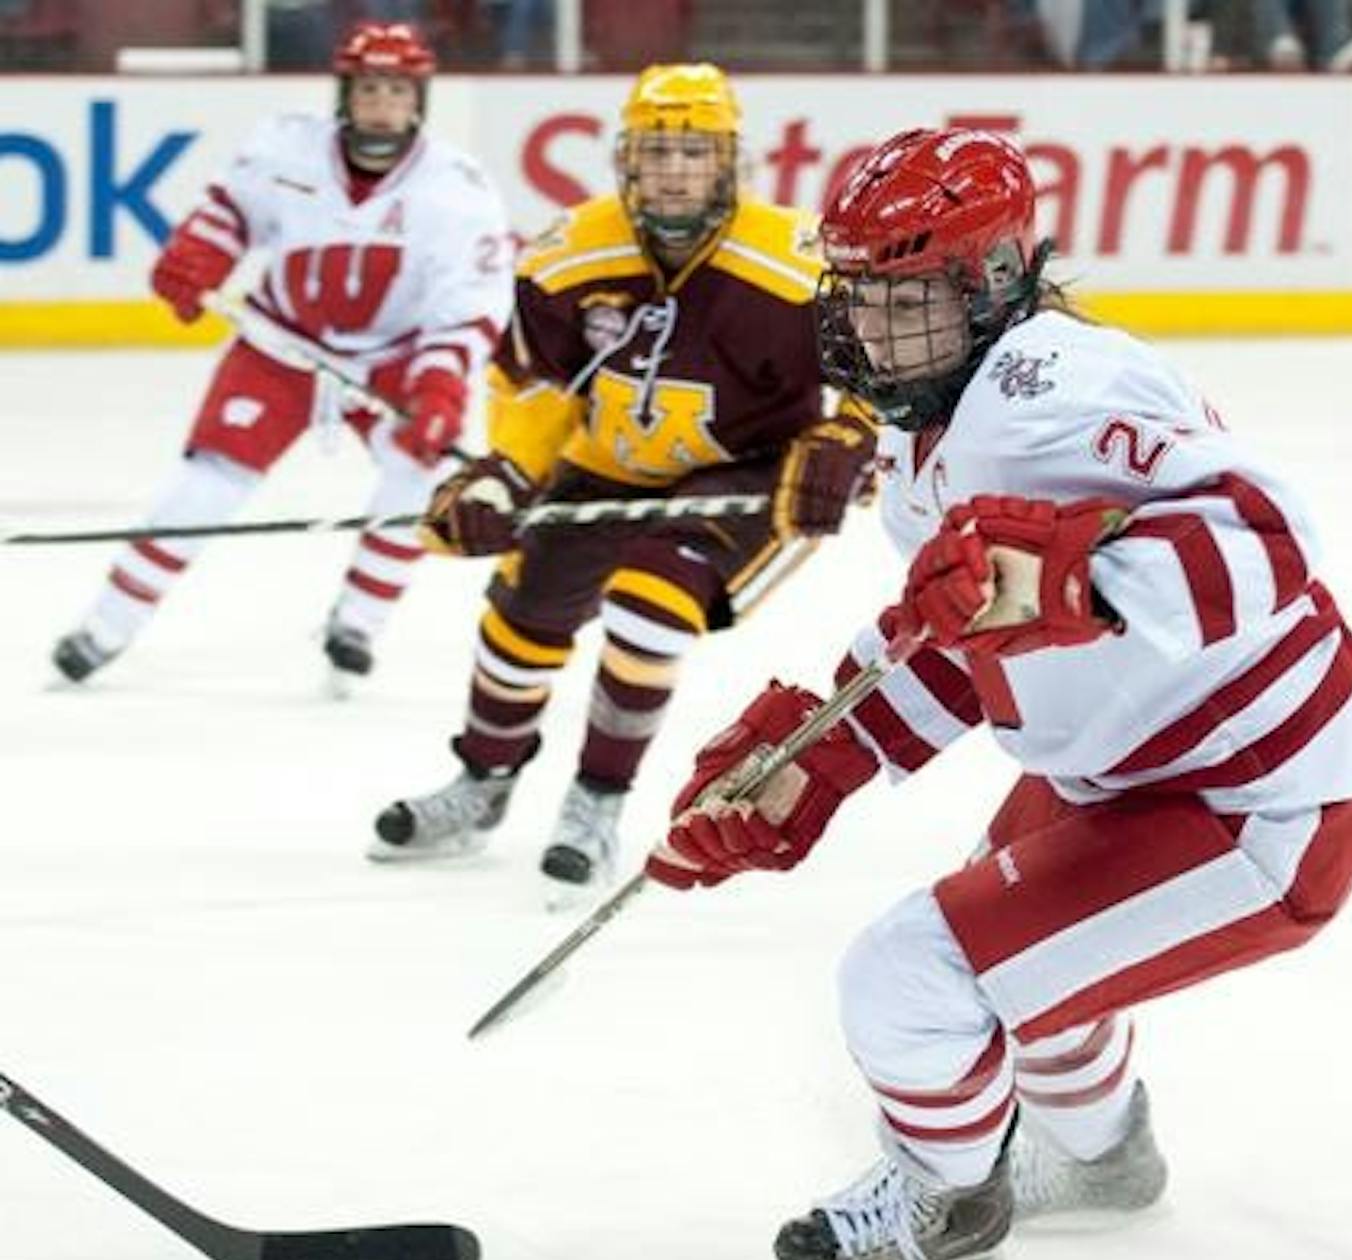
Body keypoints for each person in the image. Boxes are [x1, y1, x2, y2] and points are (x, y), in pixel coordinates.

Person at [642, 127, 1352, 1260]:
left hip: (1255, 795)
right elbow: (967, 629)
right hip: (1130, 763)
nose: (864, 330)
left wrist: (1069, 574)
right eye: (854, 296)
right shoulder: (932, 426)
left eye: (901, 300)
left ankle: (950, 1199)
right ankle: (1103, 1161)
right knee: (1030, 983)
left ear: (991, 280)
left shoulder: (1055, 387)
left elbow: (1269, 537)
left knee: (909, 978)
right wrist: (820, 756)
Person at [369, 64, 879, 898]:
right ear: (626, 161)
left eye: (693, 150)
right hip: (609, 467)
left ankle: (596, 804)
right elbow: (533, 389)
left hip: (749, 476)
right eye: (657, 151)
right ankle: (484, 783)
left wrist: (850, 434)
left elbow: (880, 363)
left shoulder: (798, 261)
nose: (675, 168)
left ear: (728, 162)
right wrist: (504, 473)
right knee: (520, 613)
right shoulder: (571, 251)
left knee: (652, 599)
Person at [51, 21, 512, 690]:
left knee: (416, 475)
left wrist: (437, 389)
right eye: (368, 88)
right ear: (344, 94)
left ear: (419, 100)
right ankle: (106, 625)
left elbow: (466, 307)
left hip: (394, 358)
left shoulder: (458, 190)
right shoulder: (285, 148)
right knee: (205, 485)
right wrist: (199, 255)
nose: (381, 103)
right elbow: (229, 211)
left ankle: (357, 623)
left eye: (395, 90)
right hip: (281, 348)